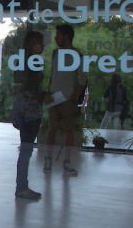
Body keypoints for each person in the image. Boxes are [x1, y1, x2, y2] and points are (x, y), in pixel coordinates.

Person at [44, 24, 86, 176]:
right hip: (54, 97)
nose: (56, 38)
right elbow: (52, 74)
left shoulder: (77, 55)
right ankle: (48, 160)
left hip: (68, 98)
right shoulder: (56, 53)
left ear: (66, 36)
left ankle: (66, 162)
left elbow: (82, 79)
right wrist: (49, 92)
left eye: (58, 35)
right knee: (52, 128)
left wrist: (74, 97)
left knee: (68, 131)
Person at [11, 31, 45, 200]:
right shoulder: (31, 62)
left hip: (27, 108)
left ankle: (22, 185)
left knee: (26, 149)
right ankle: (21, 186)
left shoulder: (23, 61)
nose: (41, 46)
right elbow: (25, 87)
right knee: (26, 149)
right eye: (39, 43)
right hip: (29, 110)